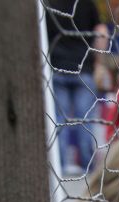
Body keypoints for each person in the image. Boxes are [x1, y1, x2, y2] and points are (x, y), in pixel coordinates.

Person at [46, 0, 109, 173]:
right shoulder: (87, 3)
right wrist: (99, 62)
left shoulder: (48, 3)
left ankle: (58, 168)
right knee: (85, 121)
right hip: (83, 69)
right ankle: (89, 170)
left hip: (56, 67)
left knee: (58, 121)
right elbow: (101, 33)